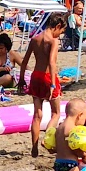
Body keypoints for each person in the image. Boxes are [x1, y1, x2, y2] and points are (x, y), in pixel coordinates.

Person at [21, 16, 63, 157]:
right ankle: (47, 138)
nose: (60, 34)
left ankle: (34, 148)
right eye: (61, 31)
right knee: (56, 113)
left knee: (37, 115)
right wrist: (52, 83)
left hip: (35, 77)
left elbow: (24, 61)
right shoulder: (53, 41)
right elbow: (52, 62)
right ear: (57, 26)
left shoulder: (35, 39)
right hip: (47, 77)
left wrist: (21, 79)